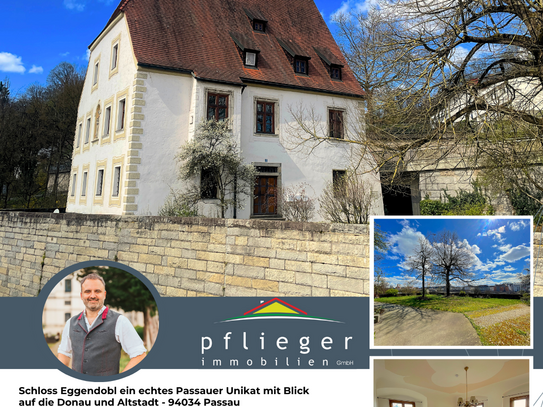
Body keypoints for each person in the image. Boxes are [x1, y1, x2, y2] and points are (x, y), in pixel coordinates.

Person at [57, 273, 147, 376]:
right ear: (81, 296)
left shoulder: (120, 321)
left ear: (104, 294)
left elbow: (140, 355)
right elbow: (64, 353)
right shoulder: (70, 323)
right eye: (87, 291)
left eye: (97, 291)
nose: (92, 295)